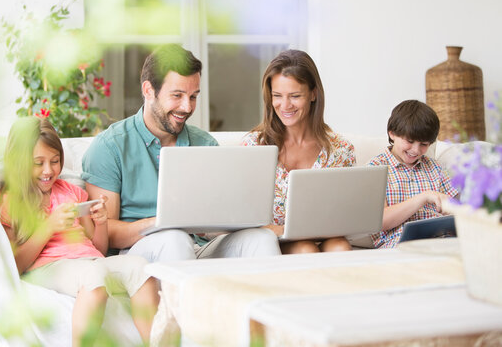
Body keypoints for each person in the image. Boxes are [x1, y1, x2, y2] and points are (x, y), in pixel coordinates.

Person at [82, 44, 281, 262]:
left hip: (199, 246)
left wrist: (227, 222)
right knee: (174, 238)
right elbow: (104, 231)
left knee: (262, 239)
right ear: (148, 90)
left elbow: (218, 219)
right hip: (139, 250)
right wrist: (161, 222)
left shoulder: (205, 144)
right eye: (177, 95)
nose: (186, 107)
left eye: (193, 96)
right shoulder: (110, 147)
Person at [0, 117, 159, 346]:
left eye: (55, 161)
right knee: (94, 275)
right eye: (38, 163)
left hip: (89, 261)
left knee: (141, 267)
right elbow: (16, 265)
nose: (48, 170)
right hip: (49, 266)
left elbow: (98, 249)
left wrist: (101, 222)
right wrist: (49, 226)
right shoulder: (12, 200)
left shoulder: (71, 192)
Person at [242, 49, 355, 254]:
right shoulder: (254, 146)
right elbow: (240, 214)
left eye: (295, 96)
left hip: (324, 236)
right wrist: (282, 230)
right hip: (273, 240)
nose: (285, 105)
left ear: (313, 94)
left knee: (340, 247)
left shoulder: (341, 150)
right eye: (277, 96)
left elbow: (346, 213)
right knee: (305, 249)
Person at [368, 100, 459, 248]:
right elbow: (381, 222)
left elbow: (459, 206)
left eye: (424, 144)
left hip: (443, 240)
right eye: (410, 141)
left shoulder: (435, 168)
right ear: (392, 134)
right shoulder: (375, 169)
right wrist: (423, 198)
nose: (416, 150)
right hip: (400, 243)